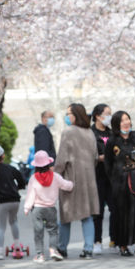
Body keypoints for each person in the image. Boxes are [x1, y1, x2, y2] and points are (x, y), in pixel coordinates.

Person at [105, 111, 135, 257]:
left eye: (127, 119)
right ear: (116, 124)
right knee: (123, 213)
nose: (126, 122)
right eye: (122, 121)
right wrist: (115, 180)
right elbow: (108, 164)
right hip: (121, 182)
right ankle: (123, 245)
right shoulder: (112, 141)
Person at [55, 103, 99, 259]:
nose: (67, 116)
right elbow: (95, 157)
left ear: (76, 115)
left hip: (71, 177)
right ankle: (88, 249)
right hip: (88, 179)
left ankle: (62, 248)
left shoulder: (68, 132)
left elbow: (62, 157)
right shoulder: (90, 133)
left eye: (69, 113)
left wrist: (56, 174)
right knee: (87, 216)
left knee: (66, 215)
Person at [23, 150, 74, 263]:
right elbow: (66, 185)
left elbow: (30, 194)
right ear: (48, 164)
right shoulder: (55, 177)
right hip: (51, 208)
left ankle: (40, 255)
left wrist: (27, 207)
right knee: (53, 231)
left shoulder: (33, 178)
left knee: (38, 232)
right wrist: (72, 184)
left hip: (37, 209)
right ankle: (53, 250)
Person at [0, 143, 27, 260]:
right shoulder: (10, 168)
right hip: (15, 199)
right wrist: (19, 187)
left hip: (2, 201)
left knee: (1, 226)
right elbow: (21, 179)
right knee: (13, 221)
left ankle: (0, 252)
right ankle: (17, 245)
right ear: (3, 156)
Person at [90, 103, 115, 254]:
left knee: (115, 209)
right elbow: (86, 153)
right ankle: (97, 241)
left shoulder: (111, 133)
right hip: (97, 175)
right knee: (97, 211)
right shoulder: (90, 133)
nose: (109, 117)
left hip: (112, 176)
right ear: (98, 116)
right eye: (107, 113)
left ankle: (114, 239)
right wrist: (97, 158)